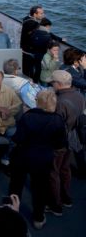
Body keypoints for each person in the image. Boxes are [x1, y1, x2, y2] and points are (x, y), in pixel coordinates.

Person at [9, 90, 66, 229]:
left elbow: (18, 138)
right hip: (43, 159)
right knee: (40, 189)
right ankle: (38, 218)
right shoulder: (57, 119)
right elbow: (60, 145)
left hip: (23, 155)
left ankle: (11, 213)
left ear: (37, 101)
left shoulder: (27, 116)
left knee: (16, 185)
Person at [49, 70, 86, 212]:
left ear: (58, 84)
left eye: (53, 82)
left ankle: (55, 204)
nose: (52, 85)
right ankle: (66, 197)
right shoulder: (80, 96)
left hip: (59, 142)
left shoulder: (59, 102)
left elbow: (55, 125)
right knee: (65, 169)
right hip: (73, 139)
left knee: (53, 172)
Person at [20, 5, 45, 81]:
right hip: (30, 52)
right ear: (34, 14)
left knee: (25, 70)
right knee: (33, 72)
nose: (43, 15)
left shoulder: (26, 19)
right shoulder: (34, 24)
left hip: (23, 50)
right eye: (41, 13)